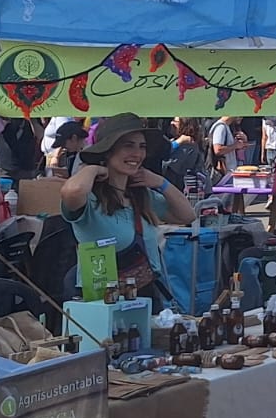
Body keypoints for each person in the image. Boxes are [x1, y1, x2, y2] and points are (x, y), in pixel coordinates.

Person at [60, 114, 197, 298]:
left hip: (144, 296)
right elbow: (72, 191)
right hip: (101, 301)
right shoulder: (90, 199)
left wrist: (159, 182)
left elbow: (187, 215)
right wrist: (93, 169)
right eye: (128, 145)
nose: (138, 154)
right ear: (108, 150)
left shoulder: (140, 195)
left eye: (142, 147)